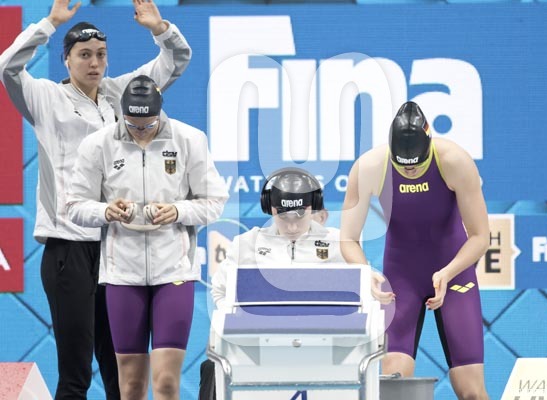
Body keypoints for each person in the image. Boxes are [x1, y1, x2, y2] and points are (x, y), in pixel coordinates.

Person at [0, 0, 192, 398]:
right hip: (68, 249)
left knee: (122, 374)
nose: (94, 63)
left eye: (100, 54)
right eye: (84, 55)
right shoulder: (46, 98)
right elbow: (7, 68)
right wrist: (49, 23)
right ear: (66, 60)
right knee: (76, 374)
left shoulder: (119, 95)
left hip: (115, 251)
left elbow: (175, 61)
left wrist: (160, 29)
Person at [67, 75, 229, 399]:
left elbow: (214, 201)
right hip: (123, 274)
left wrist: (178, 211)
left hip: (173, 271)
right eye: (132, 125)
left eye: (148, 125)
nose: (140, 131)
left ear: (160, 113)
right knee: (131, 385)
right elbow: (74, 206)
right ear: (122, 114)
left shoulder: (189, 140)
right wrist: (106, 211)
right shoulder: (97, 145)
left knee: (166, 381)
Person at [340, 101, 490, 399]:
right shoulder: (369, 167)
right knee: (393, 386)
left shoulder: (455, 161)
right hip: (401, 279)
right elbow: (347, 239)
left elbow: (479, 237)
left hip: (454, 276)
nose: (410, 170)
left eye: (417, 165)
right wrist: (365, 271)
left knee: (471, 391)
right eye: (403, 165)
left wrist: (448, 272)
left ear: (429, 148)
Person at [199, 168, 343, 400]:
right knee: (212, 366)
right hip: (257, 346)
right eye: (283, 218)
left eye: (299, 217)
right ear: (271, 208)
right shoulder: (247, 243)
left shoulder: (338, 242)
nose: (292, 227)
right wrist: (241, 323)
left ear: (313, 207)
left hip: (320, 345)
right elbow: (220, 291)